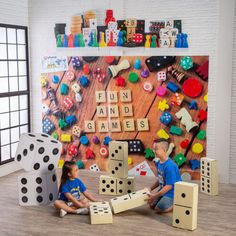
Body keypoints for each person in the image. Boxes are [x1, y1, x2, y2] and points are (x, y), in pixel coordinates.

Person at [147, 139, 182, 213]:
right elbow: (160, 179)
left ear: (164, 150)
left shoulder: (170, 166)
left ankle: (177, 204)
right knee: (151, 205)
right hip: (163, 189)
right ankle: (162, 199)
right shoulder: (158, 162)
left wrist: (155, 196)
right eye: (153, 149)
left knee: (158, 209)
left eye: (156, 149)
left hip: (172, 192)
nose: (154, 151)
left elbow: (169, 186)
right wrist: (150, 188)